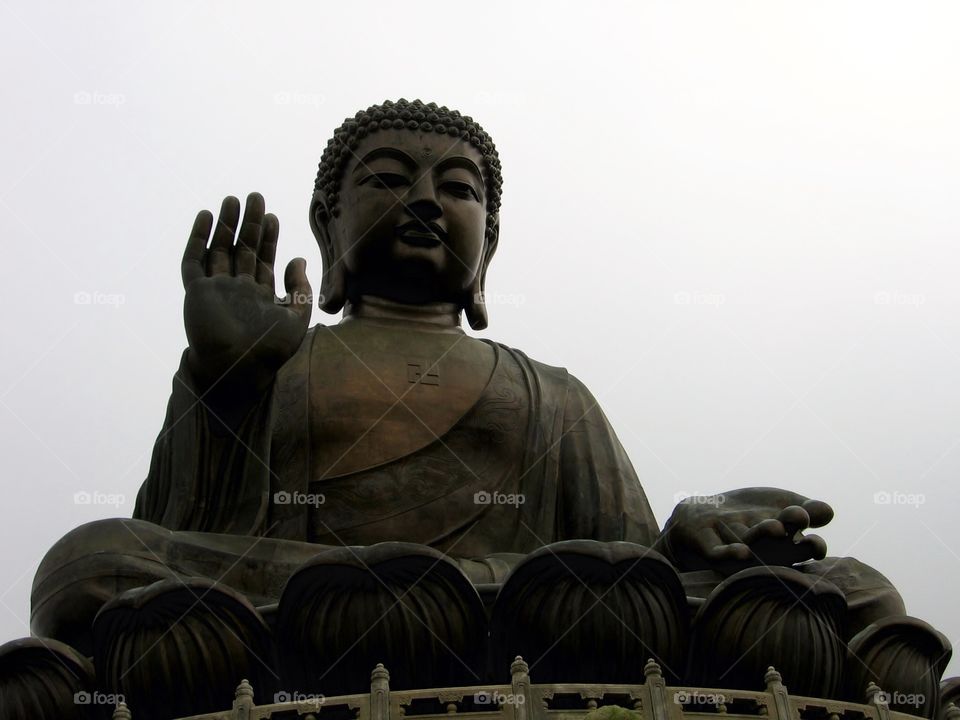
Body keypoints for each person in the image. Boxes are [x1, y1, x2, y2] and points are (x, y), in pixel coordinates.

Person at [31, 99, 903, 660]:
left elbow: (625, 563)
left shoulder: (549, 391)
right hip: (290, 595)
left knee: (852, 590)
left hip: (524, 606)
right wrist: (222, 379)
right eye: (386, 179)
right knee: (88, 563)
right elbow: (172, 534)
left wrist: (695, 532)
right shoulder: (282, 361)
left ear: (489, 240)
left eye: (458, 187)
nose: (424, 199)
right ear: (328, 228)